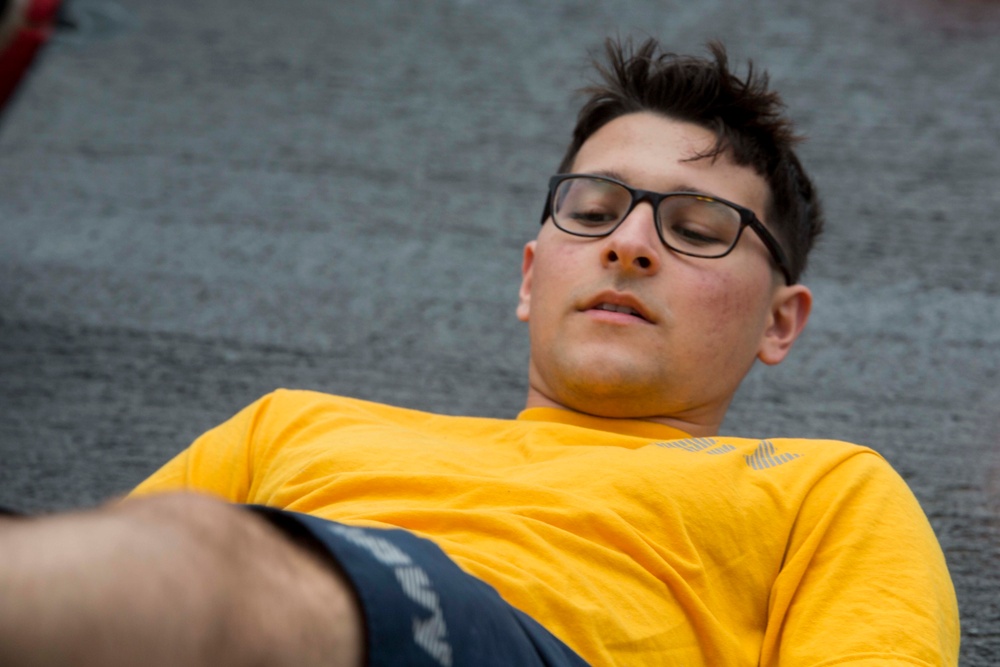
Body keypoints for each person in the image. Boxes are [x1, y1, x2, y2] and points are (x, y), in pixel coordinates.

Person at [0, 38, 960, 666]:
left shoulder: (824, 489)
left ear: (779, 323)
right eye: (593, 211)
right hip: (269, 606)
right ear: (529, 274)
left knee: (209, 562)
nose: (629, 243)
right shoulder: (292, 424)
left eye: (699, 227)